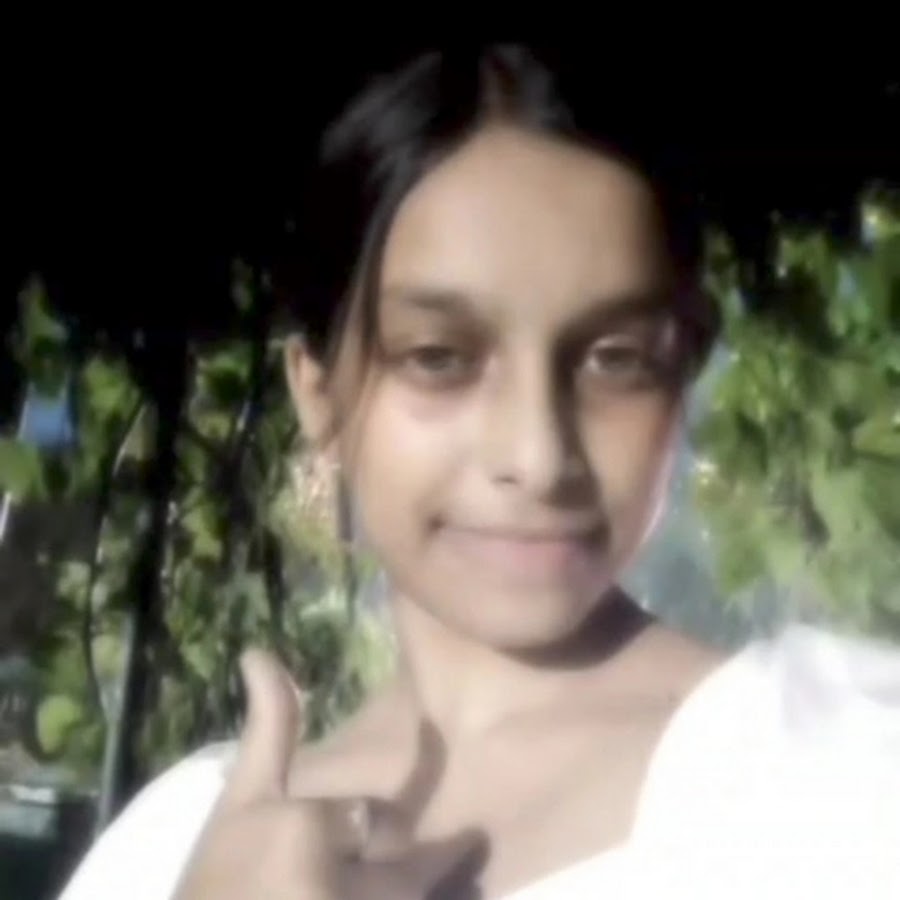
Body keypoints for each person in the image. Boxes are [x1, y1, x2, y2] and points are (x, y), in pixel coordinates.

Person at [58, 46, 900, 899]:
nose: (538, 457)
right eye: (438, 358)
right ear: (317, 393)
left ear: (683, 368)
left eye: (616, 359)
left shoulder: (851, 771)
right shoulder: (172, 850)